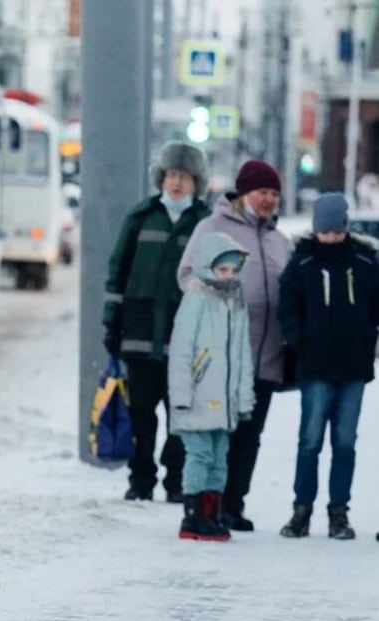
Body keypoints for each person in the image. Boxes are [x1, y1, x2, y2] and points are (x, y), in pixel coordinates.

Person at [178, 159, 291, 531]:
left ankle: (234, 504)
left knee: (250, 436)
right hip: (220, 357)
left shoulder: (279, 240)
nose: (268, 200)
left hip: (265, 354)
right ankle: (210, 505)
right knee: (218, 435)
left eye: (274, 194)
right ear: (244, 194)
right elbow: (187, 275)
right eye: (262, 192)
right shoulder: (212, 228)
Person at [104, 141, 211, 502]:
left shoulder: (205, 224)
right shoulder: (141, 217)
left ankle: (176, 480)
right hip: (139, 334)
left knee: (181, 416)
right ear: (161, 178)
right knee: (141, 415)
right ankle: (141, 479)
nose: (177, 183)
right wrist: (111, 324)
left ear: (197, 182)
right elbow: (116, 273)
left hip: (186, 340)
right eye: (171, 175)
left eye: (185, 176)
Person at [276, 193, 379, 540]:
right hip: (315, 365)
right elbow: (287, 307)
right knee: (310, 440)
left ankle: (339, 512)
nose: (331, 238)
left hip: (353, 366)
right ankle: (301, 509)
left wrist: (368, 339)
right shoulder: (303, 263)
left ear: (346, 228)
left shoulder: (365, 261)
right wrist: (299, 341)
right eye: (326, 232)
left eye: (337, 232)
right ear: (316, 229)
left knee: (346, 442)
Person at [168, 232, 254, 541]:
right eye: (222, 270)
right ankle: (192, 516)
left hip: (225, 401)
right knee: (199, 455)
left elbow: (242, 356)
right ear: (207, 268)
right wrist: (181, 394)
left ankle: (211, 512)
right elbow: (181, 349)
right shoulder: (196, 299)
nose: (228, 276)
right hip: (197, 397)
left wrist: (244, 399)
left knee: (219, 458)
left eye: (232, 270)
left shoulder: (236, 304)